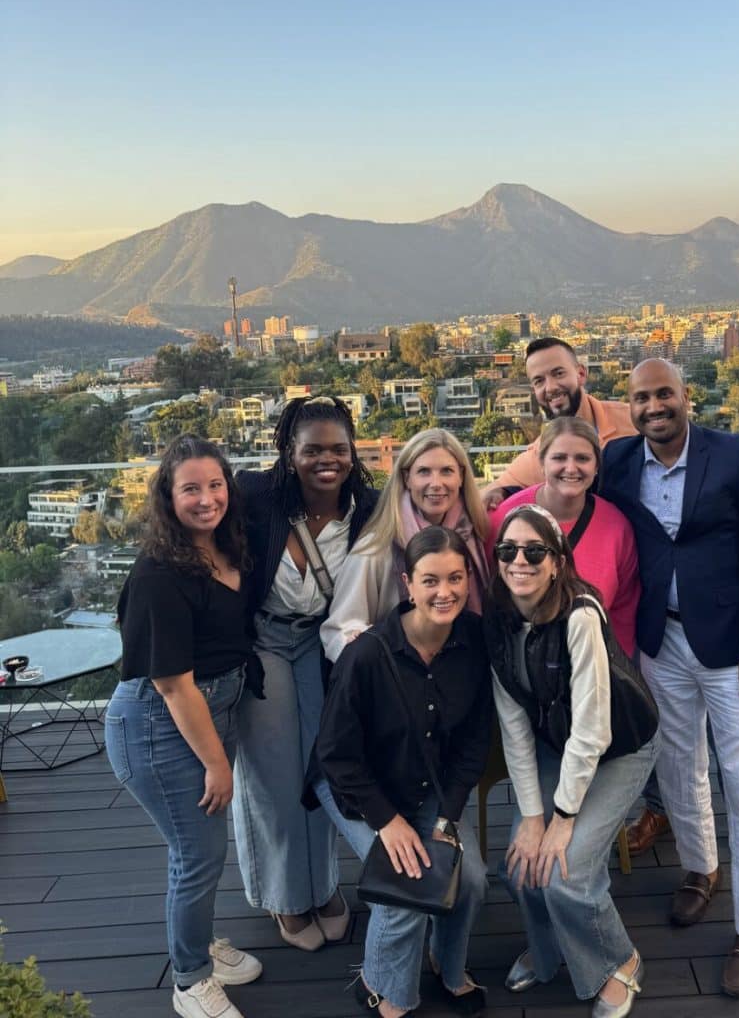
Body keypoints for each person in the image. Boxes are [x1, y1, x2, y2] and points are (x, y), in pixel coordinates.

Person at [601, 358, 739, 998]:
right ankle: (700, 869)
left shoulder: (735, 456)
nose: (654, 406)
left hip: (735, 648)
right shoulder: (619, 461)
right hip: (663, 639)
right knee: (679, 764)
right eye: (641, 397)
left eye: (664, 394)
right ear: (628, 406)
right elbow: (554, 477)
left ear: (686, 398)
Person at [105, 435, 262, 1018]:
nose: (206, 499)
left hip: (206, 712)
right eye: (190, 488)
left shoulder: (227, 547)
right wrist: (218, 764)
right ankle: (190, 978)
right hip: (156, 723)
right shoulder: (158, 575)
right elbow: (173, 684)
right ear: (167, 498)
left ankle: (199, 943)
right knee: (195, 854)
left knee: (202, 850)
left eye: (215, 484)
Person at [309, 526, 493, 1018]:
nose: (445, 592)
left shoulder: (475, 639)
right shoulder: (367, 654)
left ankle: (447, 964)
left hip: (429, 783)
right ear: (407, 583)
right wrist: (387, 822)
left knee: (469, 876)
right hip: (358, 786)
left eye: (456, 578)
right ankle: (386, 994)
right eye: (431, 580)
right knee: (408, 886)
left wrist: (445, 816)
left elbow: (475, 739)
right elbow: (335, 754)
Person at [486, 503, 658, 1018]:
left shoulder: (580, 615)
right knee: (521, 867)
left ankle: (620, 960)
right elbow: (515, 727)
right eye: (508, 550)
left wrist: (561, 819)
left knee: (567, 872)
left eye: (535, 551)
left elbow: (593, 731)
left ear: (558, 561)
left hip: (620, 747)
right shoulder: (499, 623)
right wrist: (533, 817)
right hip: (554, 747)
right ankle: (550, 951)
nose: (521, 560)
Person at [234, 395, 379, 951]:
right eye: (312, 449)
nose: (327, 460)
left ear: (352, 453)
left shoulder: (368, 507)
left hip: (323, 643)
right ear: (288, 452)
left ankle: (321, 888)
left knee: (321, 770)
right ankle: (283, 898)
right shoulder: (256, 497)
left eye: (338, 449)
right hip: (263, 640)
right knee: (272, 774)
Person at [320, 428, 489, 661]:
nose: (436, 483)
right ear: (406, 478)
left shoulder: (476, 535)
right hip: (401, 677)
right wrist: (380, 665)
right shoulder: (376, 548)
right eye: (424, 472)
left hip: (464, 671)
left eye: (447, 471)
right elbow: (341, 628)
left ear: (461, 476)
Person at [486, 415, 639, 656]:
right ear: (542, 462)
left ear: (597, 466)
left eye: (582, 458)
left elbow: (623, 611)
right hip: (516, 666)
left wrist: (617, 671)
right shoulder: (504, 518)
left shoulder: (617, 527)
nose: (571, 468)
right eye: (559, 458)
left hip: (592, 665)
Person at [480, 337, 635, 510]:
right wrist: (502, 492)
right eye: (539, 381)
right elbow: (481, 499)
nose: (551, 387)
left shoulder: (631, 421)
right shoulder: (540, 456)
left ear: (581, 374)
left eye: (558, 373)